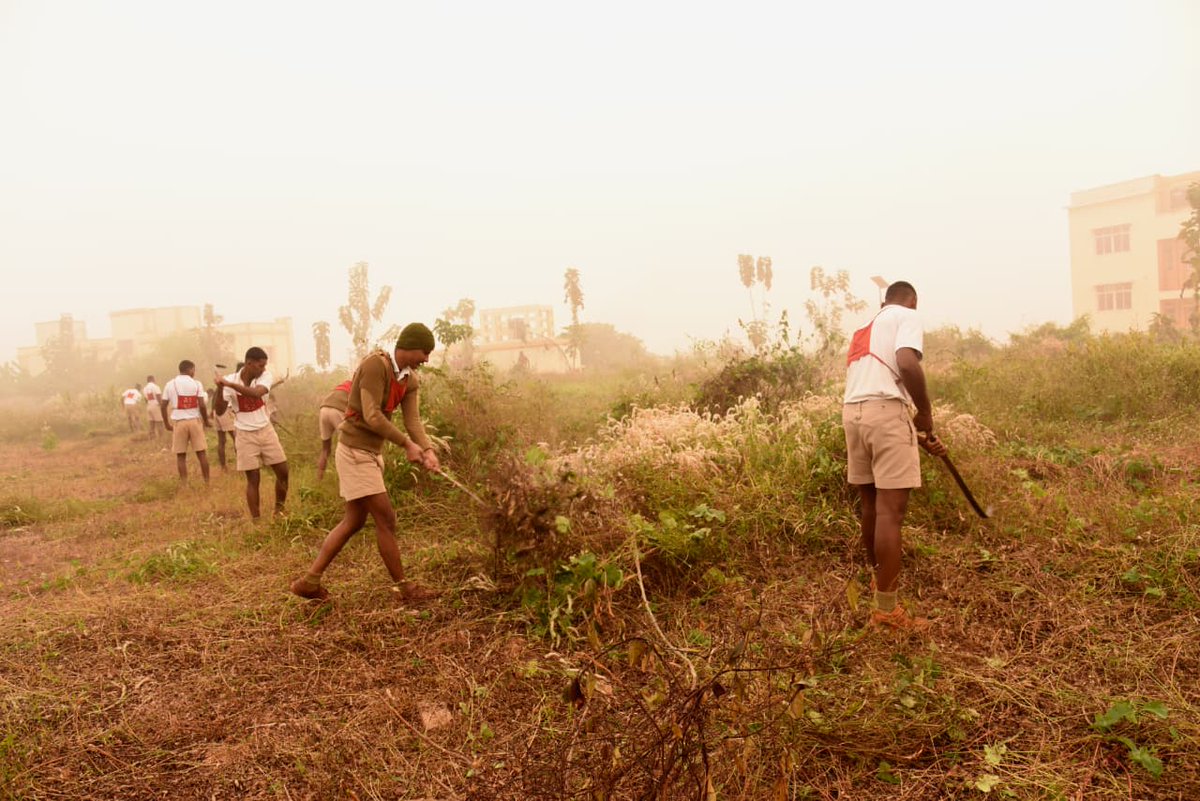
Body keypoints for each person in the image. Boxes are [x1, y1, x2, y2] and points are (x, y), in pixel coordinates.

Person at [291, 323, 441, 602]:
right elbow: (372, 415)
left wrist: (428, 449)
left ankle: (309, 581)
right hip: (354, 452)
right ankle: (405, 587)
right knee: (386, 518)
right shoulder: (376, 365)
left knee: (354, 521)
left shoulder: (409, 380)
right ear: (408, 346)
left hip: (372, 454)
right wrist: (407, 445)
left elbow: (413, 421)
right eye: (425, 352)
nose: (426, 359)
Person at [843, 281, 948, 631]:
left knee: (872, 506)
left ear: (882, 301)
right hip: (884, 414)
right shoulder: (907, 316)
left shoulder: (865, 329)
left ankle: (878, 584)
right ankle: (886, 612)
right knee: (891, 513)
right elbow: (906, 363)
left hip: (854, 415)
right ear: (912, 300)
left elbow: (875, 396)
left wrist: (914, 435)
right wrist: (925, 413)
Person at [214, 347, 288, 518]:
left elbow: (256, 394)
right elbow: (219, 411)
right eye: (260, 365)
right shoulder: (229, 381)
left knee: (283, 472)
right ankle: (256, 519)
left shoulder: (264, 377)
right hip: (244, 434)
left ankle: (279, 511)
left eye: (264, 365)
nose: (263, 369)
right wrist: (219, 388)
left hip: (266, 430)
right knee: (253, 479)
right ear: (249, 363)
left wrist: (230, 385)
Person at [161, 361, 211, 483]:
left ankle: (184, 484)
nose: (194, 372)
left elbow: (163, 405)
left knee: (181, 455)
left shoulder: (170, 384)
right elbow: (202, 405)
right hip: (194, 421)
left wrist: (167, 423)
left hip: (179, 422)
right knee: (201, 453)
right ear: (190, 370)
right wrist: (206, 421)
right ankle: (207, 482)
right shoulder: (196, 383)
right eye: (194, 370)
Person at [315, 378, 352, 480]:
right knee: (347, 448)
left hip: (324, 409)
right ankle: (346, 480)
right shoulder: (360, 385)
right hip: (338, 409)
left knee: (325, 449)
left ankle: (319, 478)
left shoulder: (345, 384)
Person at [209, 362, 240, 470]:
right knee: (237, 439)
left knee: (221, 440)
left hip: (218, 412)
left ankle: (223, 467)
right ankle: (241, 466)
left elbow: (217, 393)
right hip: (226, 410)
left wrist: (212, 410)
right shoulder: (236, 380)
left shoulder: (226, 379)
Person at [143, 375, 163, 444]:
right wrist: (162, 406)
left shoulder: (145, 388)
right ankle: (161, 439)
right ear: (153, 379)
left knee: (151, 424)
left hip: (149, 406)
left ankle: (152, 439)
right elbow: (158, 397)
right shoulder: (155, 387)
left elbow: (145, 399)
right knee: (159, 423)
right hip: (155, 405)